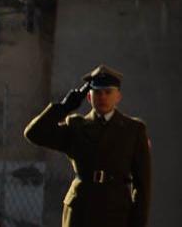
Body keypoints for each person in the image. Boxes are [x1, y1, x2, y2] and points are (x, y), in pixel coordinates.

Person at [24, 65, 154, 227]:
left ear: (118, 96)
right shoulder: (76, 126)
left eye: (108, 92)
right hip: (81, 210)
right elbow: (34, 134)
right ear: (89, 98)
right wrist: (64, 108)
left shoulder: (133, 130)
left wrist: (138, 223)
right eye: (98, 92)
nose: (103, 97)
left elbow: (142, 186)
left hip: (116, 211)